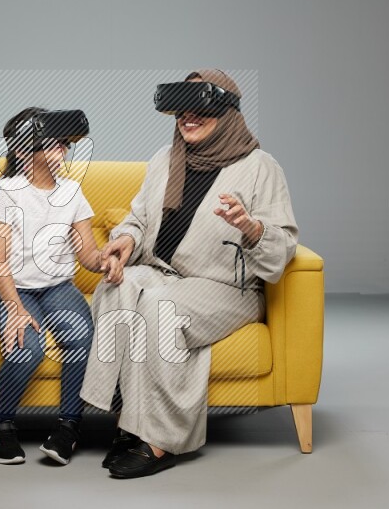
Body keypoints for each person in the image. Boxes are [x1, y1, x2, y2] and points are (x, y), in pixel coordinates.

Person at [81, 69, 299, 478]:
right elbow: (139, 218)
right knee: (114, 287)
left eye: (200, 108)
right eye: (181, 109)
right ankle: (126, 416)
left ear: (229, 112)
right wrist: (126, 239)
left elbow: (283, 246)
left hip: (225, 287)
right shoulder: (165, 159)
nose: (188, 117)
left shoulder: (260, 167)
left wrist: (252, 228)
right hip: (163, 272)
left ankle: (161, 440)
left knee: (159, 308)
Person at [0, 107, 121, 465]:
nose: (64, 150)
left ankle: (69, 427)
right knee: (27, 349)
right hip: (12, 288)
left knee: (82, 340)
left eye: (65, 144)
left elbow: (87, 254)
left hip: (57, 287)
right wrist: (15, 309)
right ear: (24, 150)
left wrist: (106, 260)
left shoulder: (72, 191)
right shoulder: (8, 192)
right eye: (55, 144)